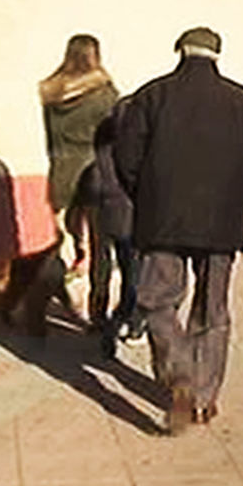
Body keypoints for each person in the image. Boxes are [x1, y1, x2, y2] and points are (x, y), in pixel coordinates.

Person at [115, 27, 243, 434]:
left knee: (156, 303)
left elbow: (126, 159)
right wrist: (236, 200)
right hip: (222, 224)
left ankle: (178, 374)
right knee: (213, 310)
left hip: (162, 222)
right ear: (217, 55)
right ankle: (204, 398)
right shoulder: (240, 101)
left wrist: (148, 196)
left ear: (179, 52)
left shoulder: (151, 96)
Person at [38, 34, 119, 331]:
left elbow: (49, 139)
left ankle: (44, 302)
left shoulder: (50, 92)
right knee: (100, 248)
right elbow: (115, 135)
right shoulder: (104, 93)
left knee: (63, 242)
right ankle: (97, 313)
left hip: (61, 171)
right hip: (95, 173)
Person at [78, 97, 142, 356]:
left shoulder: (101, 138)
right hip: (125, 210)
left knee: (100, 264)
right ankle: (129, 322)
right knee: (132, 270)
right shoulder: (135, 143)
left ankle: (98, 316)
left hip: (97, 204)